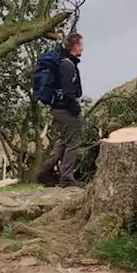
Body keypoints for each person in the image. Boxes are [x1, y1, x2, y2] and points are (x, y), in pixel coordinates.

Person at [35, 33, 84, 187]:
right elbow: (69, 92)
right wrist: (75, 110)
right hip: (65, 109)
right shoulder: (67, 65)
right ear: (75, 46)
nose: (83, 48)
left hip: (58, 108)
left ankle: (46, 170)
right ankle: (67, 177)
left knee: (64, 140)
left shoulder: (63, 63)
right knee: (73, 142)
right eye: (81, 45)